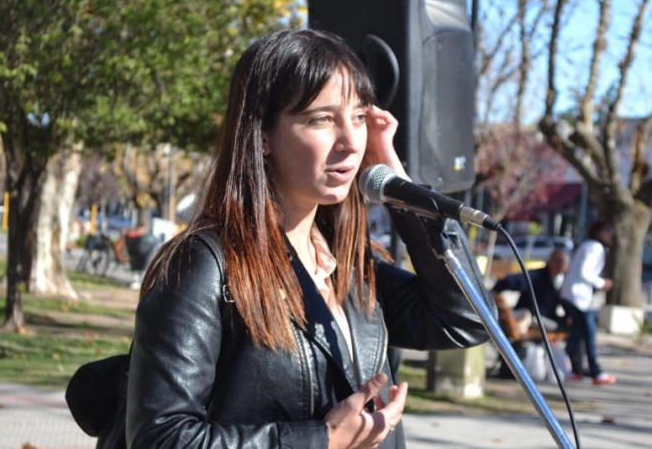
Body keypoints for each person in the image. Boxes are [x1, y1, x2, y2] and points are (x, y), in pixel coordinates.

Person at [125, 29, 493, 449]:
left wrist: (397, 183)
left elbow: (467, 319)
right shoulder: (205, 265)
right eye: (322, 119)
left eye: (358, 118)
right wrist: (323, 439)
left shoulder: (350, 267)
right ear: (261, 135)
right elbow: (161, 438)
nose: (351, 142)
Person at [561, 219, 616, 385]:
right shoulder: (594, 247)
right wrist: (602, 283)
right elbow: (585, 272)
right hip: (579, 298)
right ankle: (595, 371)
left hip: (573, 295)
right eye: (608, 232)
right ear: (599, 233)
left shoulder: (588, 245)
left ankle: (574, 369)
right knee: (589, 333)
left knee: (577, 335)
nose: (611, 236)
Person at [491, 248, 570, 338]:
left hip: (547, 317)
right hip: (530, 314)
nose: (561, 265)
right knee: (525, 318)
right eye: (558, 262)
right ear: (550, 261)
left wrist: (569, 316)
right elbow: (514, 281)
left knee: (566, 327)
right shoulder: (538, 276)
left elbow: (567, 302)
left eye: (564, 263)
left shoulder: (564, 282)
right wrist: (495, 289)